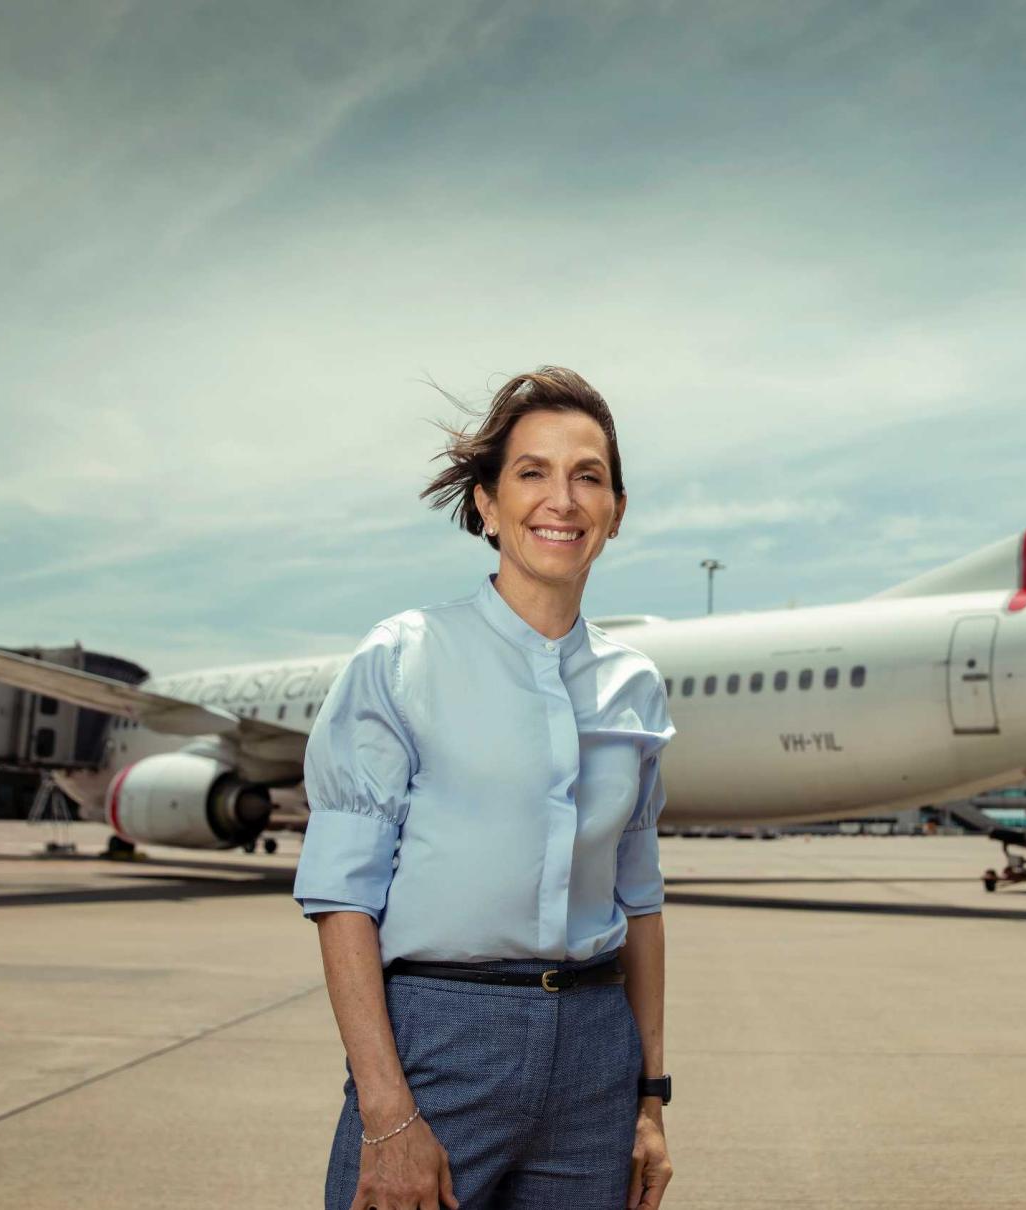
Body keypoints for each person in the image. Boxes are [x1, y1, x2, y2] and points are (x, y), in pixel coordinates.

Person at [295, 368, 675, 1210]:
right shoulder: (403, 657)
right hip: (437, 1043)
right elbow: (341, 899)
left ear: (615, 511)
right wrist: (388, 1112)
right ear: (487, 505)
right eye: (532, 473)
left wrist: (650, 1098)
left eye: (589, 476)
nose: (563, 499)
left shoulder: (635, 686)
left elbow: (640, 905)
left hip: (594, 1056)